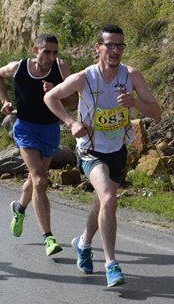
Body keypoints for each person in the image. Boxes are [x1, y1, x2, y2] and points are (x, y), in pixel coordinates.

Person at [43, 25, 161, 287]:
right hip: (90, 149)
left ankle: (83, 243)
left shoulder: (131, 75)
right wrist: (71, 122)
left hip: (117, 150)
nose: (116, 51)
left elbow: (156, 112)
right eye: (110, 45)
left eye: (120, 45)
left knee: (102, 204)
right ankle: (111, 264)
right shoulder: (85, 77)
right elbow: (50, 97)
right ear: (98, 48)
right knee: (108, 197)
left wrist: (135, 103)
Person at [0, 34, 72, 257]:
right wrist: (4, 100)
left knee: (34, 180)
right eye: (46, 52)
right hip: (25, 128)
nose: (51, 57)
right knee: (39, 179)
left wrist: (56, 91)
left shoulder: (61, 68)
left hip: (50, 130)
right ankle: (48, 237)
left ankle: (19, 208)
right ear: (35, 50)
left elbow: (73, 101)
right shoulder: (19, 67)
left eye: (55, 52)